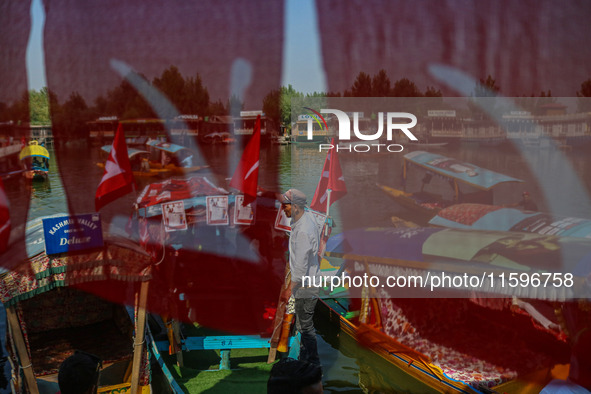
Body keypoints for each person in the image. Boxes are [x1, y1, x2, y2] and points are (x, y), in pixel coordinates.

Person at [281, 189, 321, 365]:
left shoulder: (303, 230)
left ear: (296, 206)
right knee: (304, 326)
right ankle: (307, 361)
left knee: (305, 326)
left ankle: (311, 362)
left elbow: (301, 267)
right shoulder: (306, 218)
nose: (283, 209)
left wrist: (289, 289)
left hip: (306, 285)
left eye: (286, 206)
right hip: (308, 282)